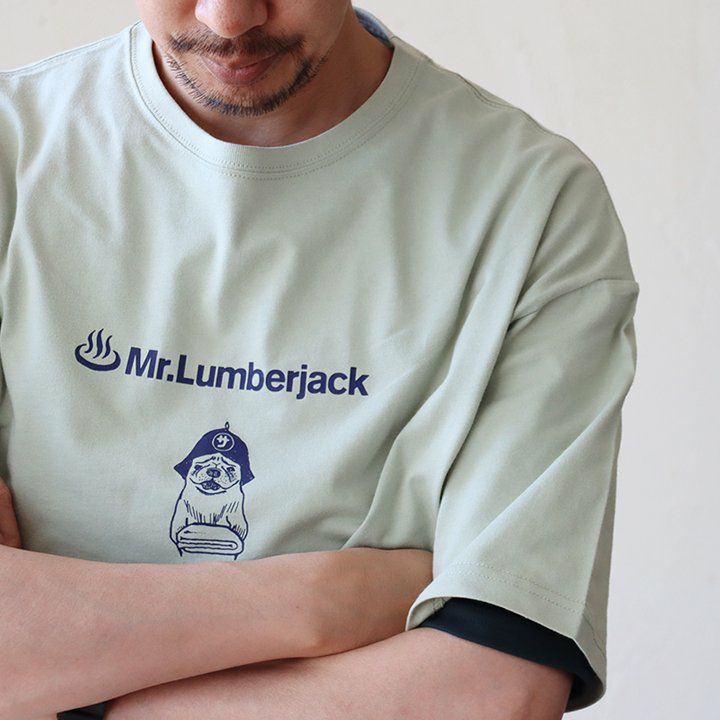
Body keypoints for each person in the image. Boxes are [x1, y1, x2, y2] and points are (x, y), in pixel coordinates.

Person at [0, 2, 639, 718]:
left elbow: (491, 691)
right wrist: (318, 602)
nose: (229, 18)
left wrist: (63, 693)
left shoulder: (533, 207)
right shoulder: (14, 147)